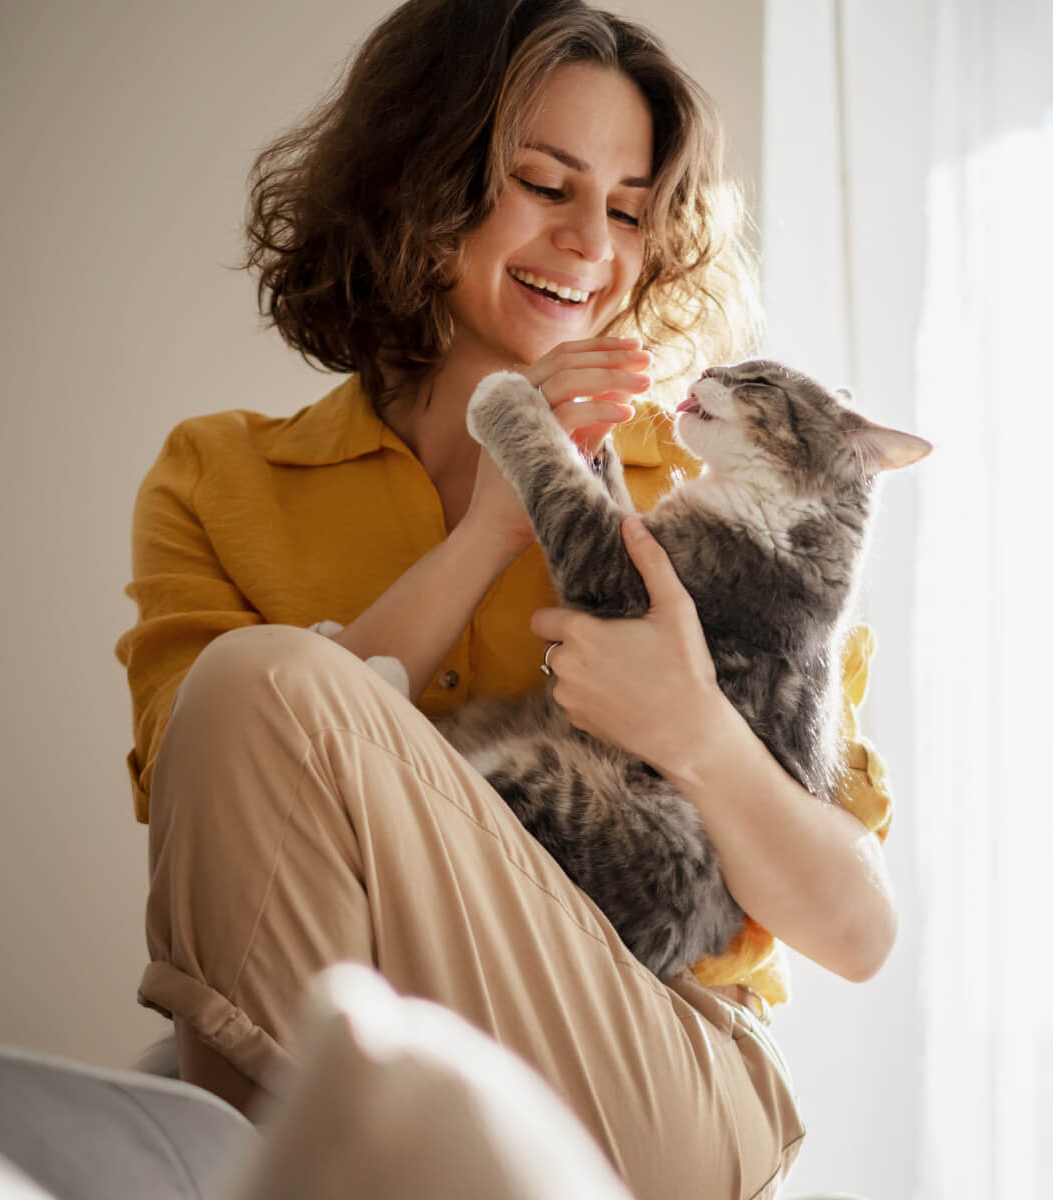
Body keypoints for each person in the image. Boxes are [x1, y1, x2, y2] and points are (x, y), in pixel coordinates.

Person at [116, 1, 897, 1195]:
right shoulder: (219, 477)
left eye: (628, 209)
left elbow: (857, 933)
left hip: (645, 1054)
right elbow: (209, 798)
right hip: (350, 1024)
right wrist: (489, 529)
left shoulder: (715, 504)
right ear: (419, 185)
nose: (590, 242)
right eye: (544, 184)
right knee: (253, 688)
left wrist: (692, 731)